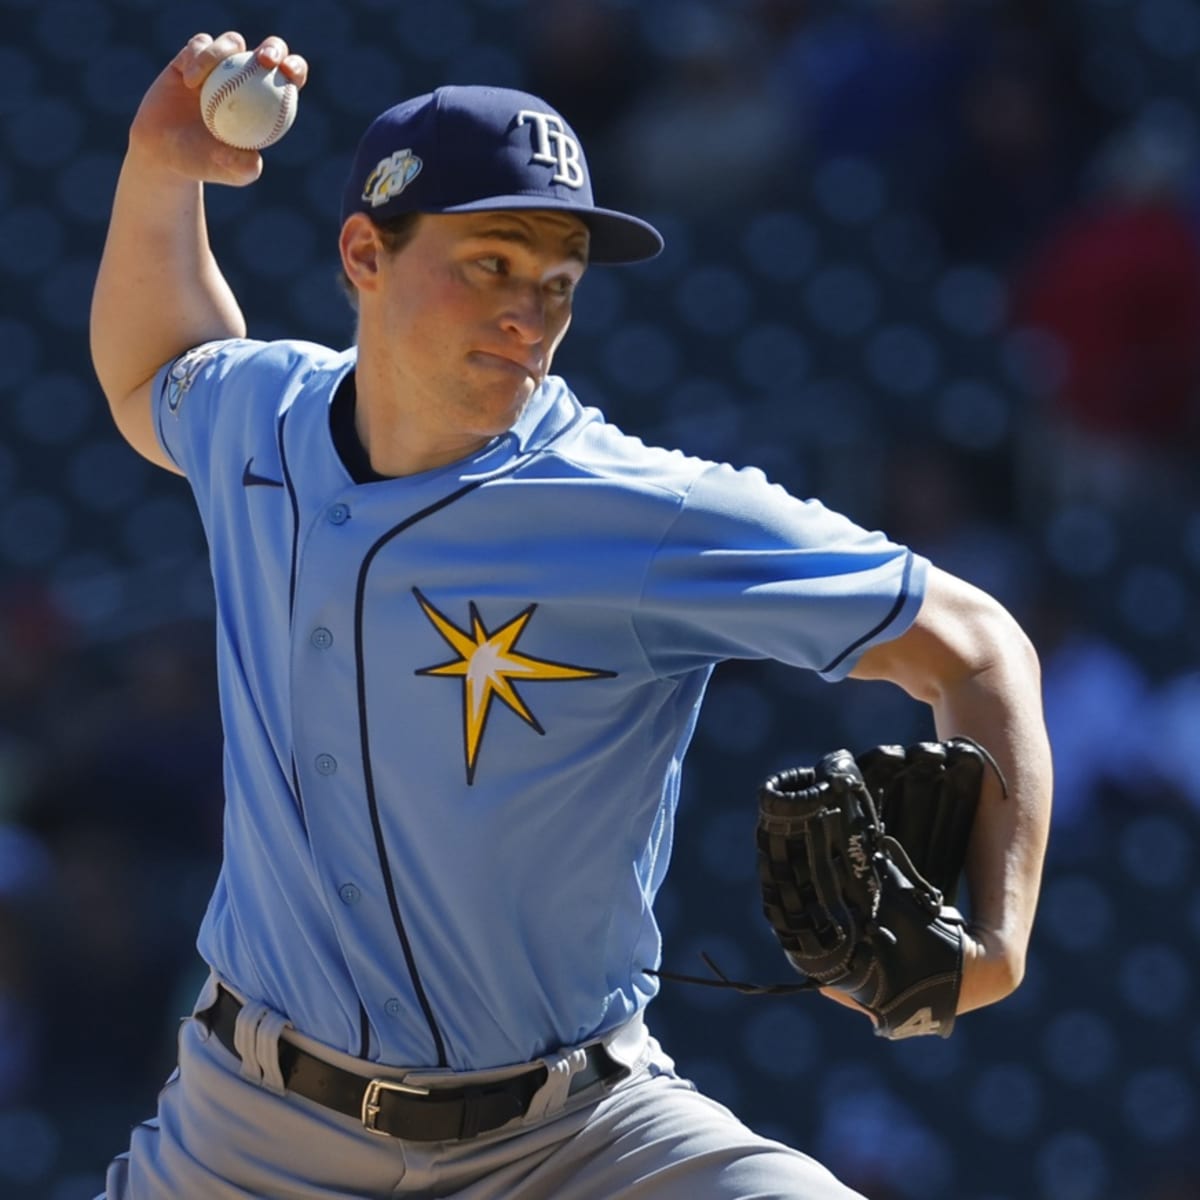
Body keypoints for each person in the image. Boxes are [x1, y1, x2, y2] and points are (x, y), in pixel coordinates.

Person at [89, 30, 1053, 1200]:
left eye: (557, 284)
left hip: (574, 1143)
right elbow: (158, 370)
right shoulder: (265, 422)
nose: (528, 313)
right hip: (251, 1139)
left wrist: (995, 939)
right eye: (490, 262)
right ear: (364, 253)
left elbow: (975, 641)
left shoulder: (638, 512)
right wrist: (160, 168)